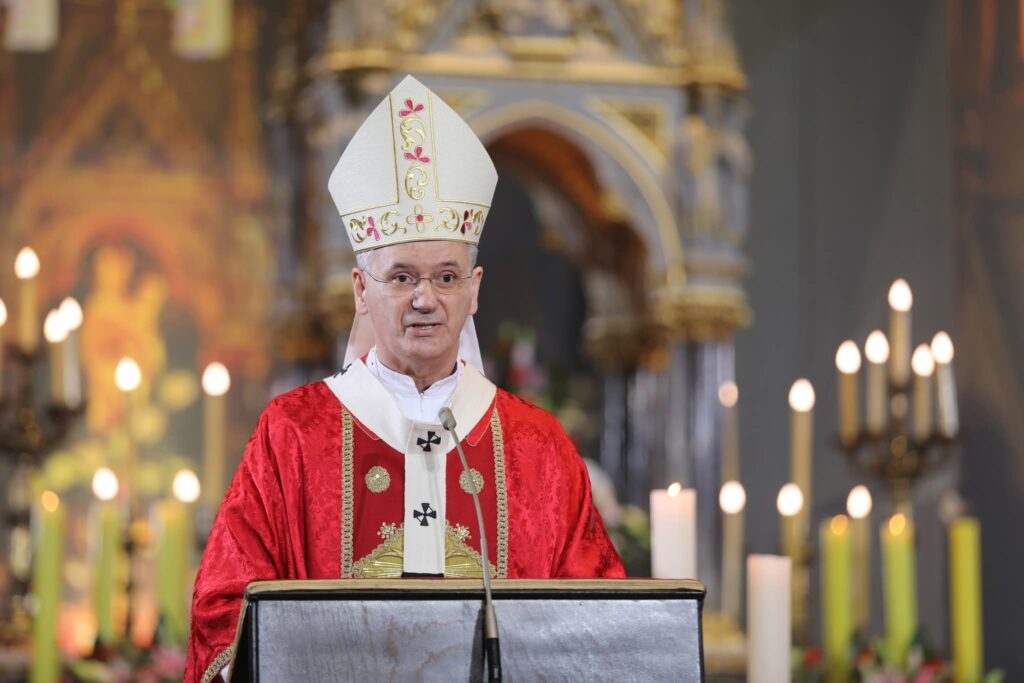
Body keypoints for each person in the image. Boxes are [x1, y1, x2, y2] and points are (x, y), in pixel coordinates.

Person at [185, 75, 625, 683]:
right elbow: (223, 612)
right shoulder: (293, 436)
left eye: (446, 277)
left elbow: (601, 623)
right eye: (401, 277)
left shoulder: (537, 446)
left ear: (474, 290)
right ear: (361, 291)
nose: (425, 298)